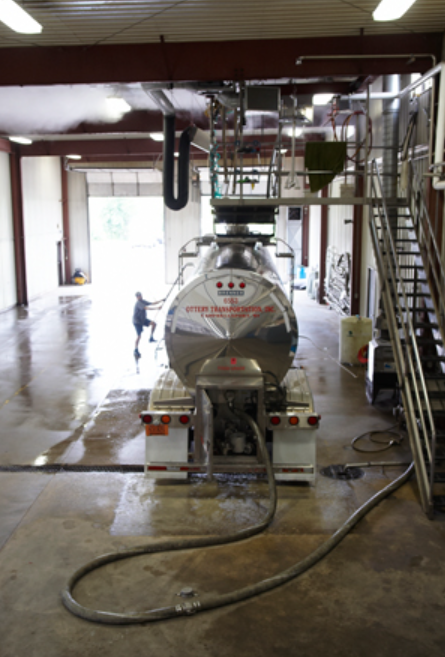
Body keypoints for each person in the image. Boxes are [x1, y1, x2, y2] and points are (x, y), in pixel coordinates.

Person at [133, 292, 165, 358]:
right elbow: (146, 308)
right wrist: (157, 308)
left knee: (154, 324)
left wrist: (162, 300)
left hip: (143, 320)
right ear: (136, 297)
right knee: (139, 336)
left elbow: (152, 303)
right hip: (137, 321)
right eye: (138, 296)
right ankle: (136, 349)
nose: (139, 297)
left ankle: (151, 338)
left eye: (140, 295)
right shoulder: (138, 303)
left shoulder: (143, 301)